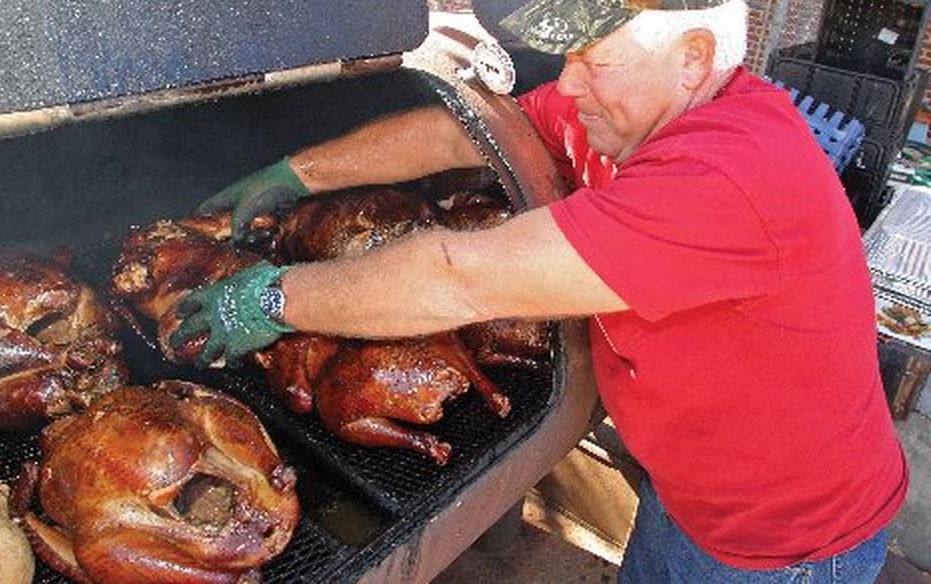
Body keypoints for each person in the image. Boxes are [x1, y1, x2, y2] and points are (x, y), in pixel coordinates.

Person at [173, 0, 909, 581]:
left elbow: (461, 281)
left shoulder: (728, 175)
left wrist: (270, 300)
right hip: (694, 492)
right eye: (571, 57)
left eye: (595, 59)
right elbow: (462, 135)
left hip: (786, 543)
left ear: (695, 59)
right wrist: (298, 174)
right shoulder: (634, 115)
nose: (569, 82)